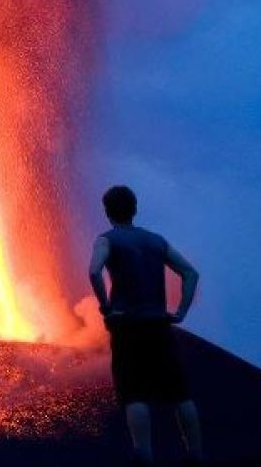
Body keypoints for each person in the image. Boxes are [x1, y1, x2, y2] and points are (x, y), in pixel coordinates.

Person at [88, 185, 203, 466]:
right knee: (179, 392)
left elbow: (94, 270)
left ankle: (144, 455)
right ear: (135, 209)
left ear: (107, 212)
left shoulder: (107, 240)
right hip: (159, 326)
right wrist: (181, 312)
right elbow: (190, 273)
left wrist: (106, 307)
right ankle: (195, 455)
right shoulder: (156, 241)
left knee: (134, 392)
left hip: (128, 327)